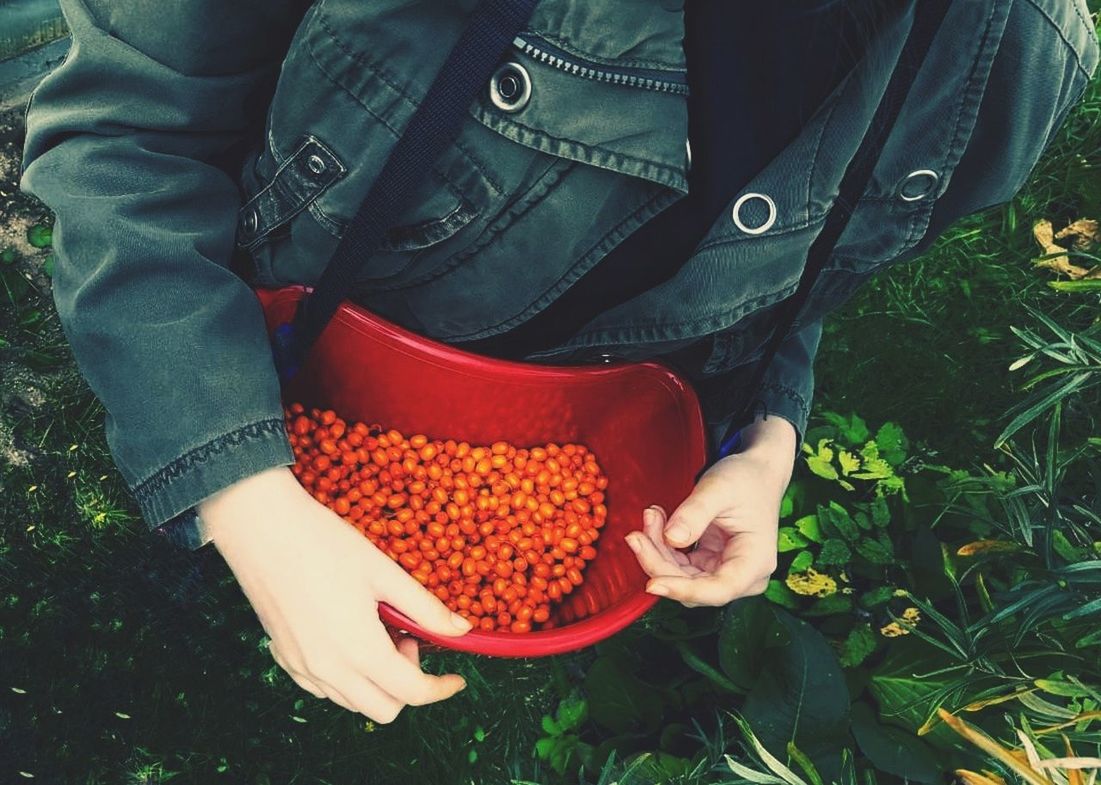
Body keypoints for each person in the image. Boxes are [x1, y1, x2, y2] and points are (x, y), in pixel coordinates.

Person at [19, 0, 1099, 724]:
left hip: (527, 463)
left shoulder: (1014, 60)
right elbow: (126, 137)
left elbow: (812, 278)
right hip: (266, 362)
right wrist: (242, 491)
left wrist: (764, 432)